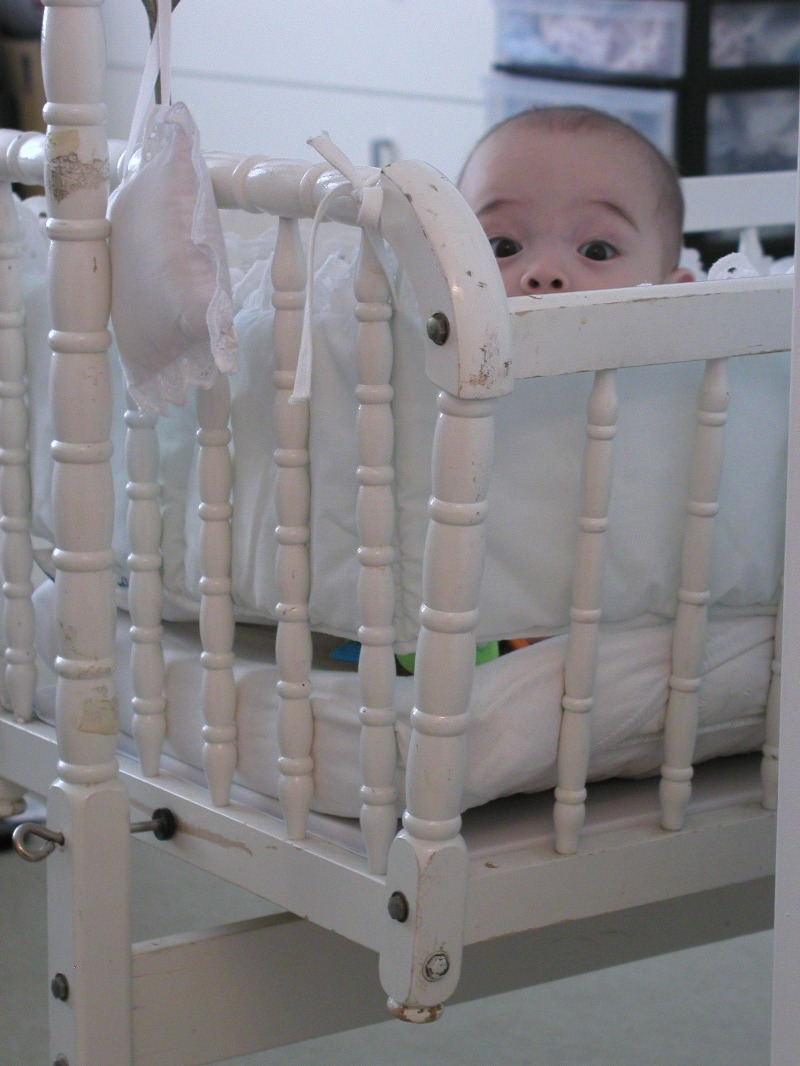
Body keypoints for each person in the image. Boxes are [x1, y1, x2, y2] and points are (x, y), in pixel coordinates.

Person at [458, 105, 695, 297]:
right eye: (501, 247)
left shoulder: (712, 353)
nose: (544, 272)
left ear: (674, 296)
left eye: (597, 252)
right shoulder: (434, 351)